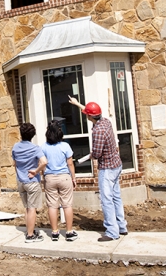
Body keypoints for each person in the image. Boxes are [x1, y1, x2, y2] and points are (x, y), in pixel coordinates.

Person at [68, 96, 128, 242]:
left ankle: (112, 232)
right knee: (116, 197)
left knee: (106, 200)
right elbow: (89, 111)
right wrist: (77, 104)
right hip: (117, 164)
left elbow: (97, 153)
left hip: (107, 168)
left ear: (89, 117)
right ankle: (121, 226)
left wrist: (87, 156)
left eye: (86, 114)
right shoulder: (106, 121)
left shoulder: (98, 131)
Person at [41, 120, 78, 242]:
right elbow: (70, 163)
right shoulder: (65, 146)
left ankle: (55, 232)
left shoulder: (44, 147)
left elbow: (42, 163)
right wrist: (73, 177)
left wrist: (43, 177)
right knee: (67, 205)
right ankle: (69, 232)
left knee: (52, 205)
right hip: (64, 177)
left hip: (50, 177)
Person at [12, 122, 48, 243]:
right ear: (33, 135)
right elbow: (44, 162)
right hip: (32, 181)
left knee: (27, 208)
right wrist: (36, 171)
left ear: (21, 134)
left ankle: (29, 231)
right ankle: (31, 236)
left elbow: (15, 164)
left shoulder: (15, 147)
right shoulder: (35, 148)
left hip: (20, 181)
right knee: (32, 209)